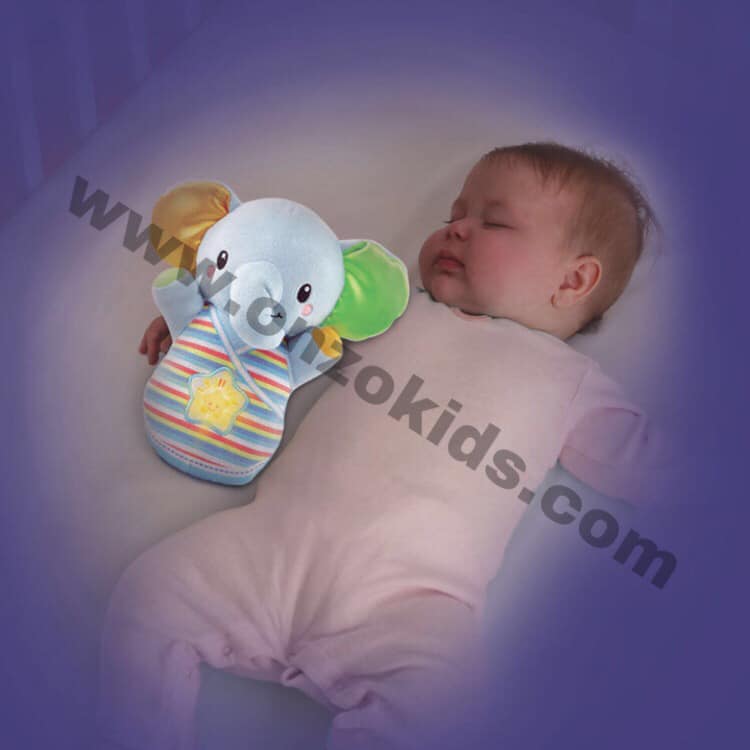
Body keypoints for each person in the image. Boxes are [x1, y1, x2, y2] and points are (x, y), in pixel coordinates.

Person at [102, 142, 666, 750]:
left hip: (408, 603)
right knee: (148, 598)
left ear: (574, 279)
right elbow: (276, 321)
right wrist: (204, 327)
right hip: (268, 545)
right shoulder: (391, 309)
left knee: (443, 706)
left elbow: (659, 468)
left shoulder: (569, 382)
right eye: (454, 215)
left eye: (494, 222)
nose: (456, 229)